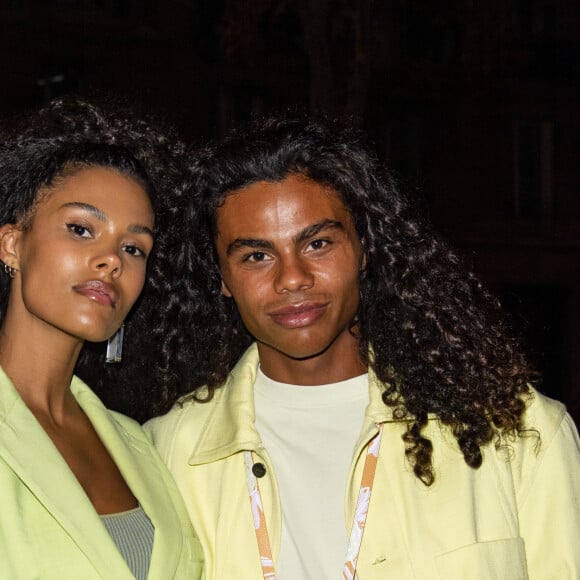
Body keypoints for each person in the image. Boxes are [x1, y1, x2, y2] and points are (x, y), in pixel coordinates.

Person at [145, 115, 580, 579]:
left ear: (364, 248)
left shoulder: (517, 432)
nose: (291, 277)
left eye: (317, 244)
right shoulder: (167, 453)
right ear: (222, 278)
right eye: (256, 256)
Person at [0, 98, 203, 579]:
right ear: (12, 244)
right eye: (81, 229)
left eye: (134, 247)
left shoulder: (139, 443)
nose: (112, 259)